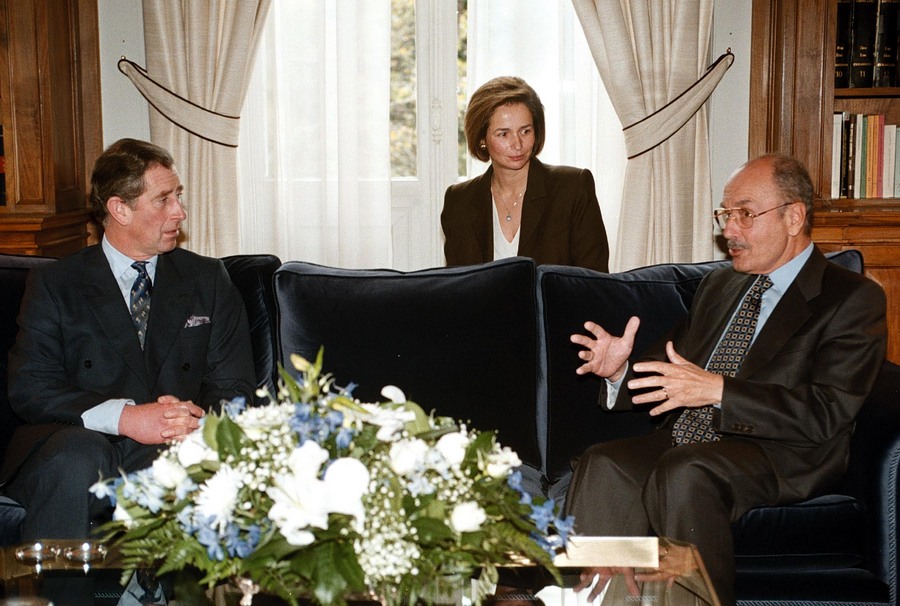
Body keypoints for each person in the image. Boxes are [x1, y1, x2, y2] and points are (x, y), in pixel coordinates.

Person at [565, 154, 887, 606]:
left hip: (781, 451)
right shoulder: (720, 286)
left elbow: (826, 411)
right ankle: (597, 601)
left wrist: (717, 390)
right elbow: (671, 368)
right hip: (691, 439)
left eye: (745, 214)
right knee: (605, 462)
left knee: (685, 471)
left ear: (794, 217)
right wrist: (619, 370)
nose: (729, 230)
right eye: (725, 215)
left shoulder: (850, 298)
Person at [0, 138, 256, 603]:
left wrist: (190, 421)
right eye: (164, 199)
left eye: (178, 196)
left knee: (183, 461)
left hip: (168, 447)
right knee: (76, 458)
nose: (179, 212)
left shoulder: (207, 280)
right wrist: (126, 417)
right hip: (75, 444)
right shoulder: (57, 283)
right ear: (119, 209)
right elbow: (30, 386)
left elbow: (235, 386)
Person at [441, 76, 609, 272]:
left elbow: (594, 281)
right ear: (481, 139)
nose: (518, 144)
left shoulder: (573, 188)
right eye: (504, 134)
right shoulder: (459, 201)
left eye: (525, 131)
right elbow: (458, 285)